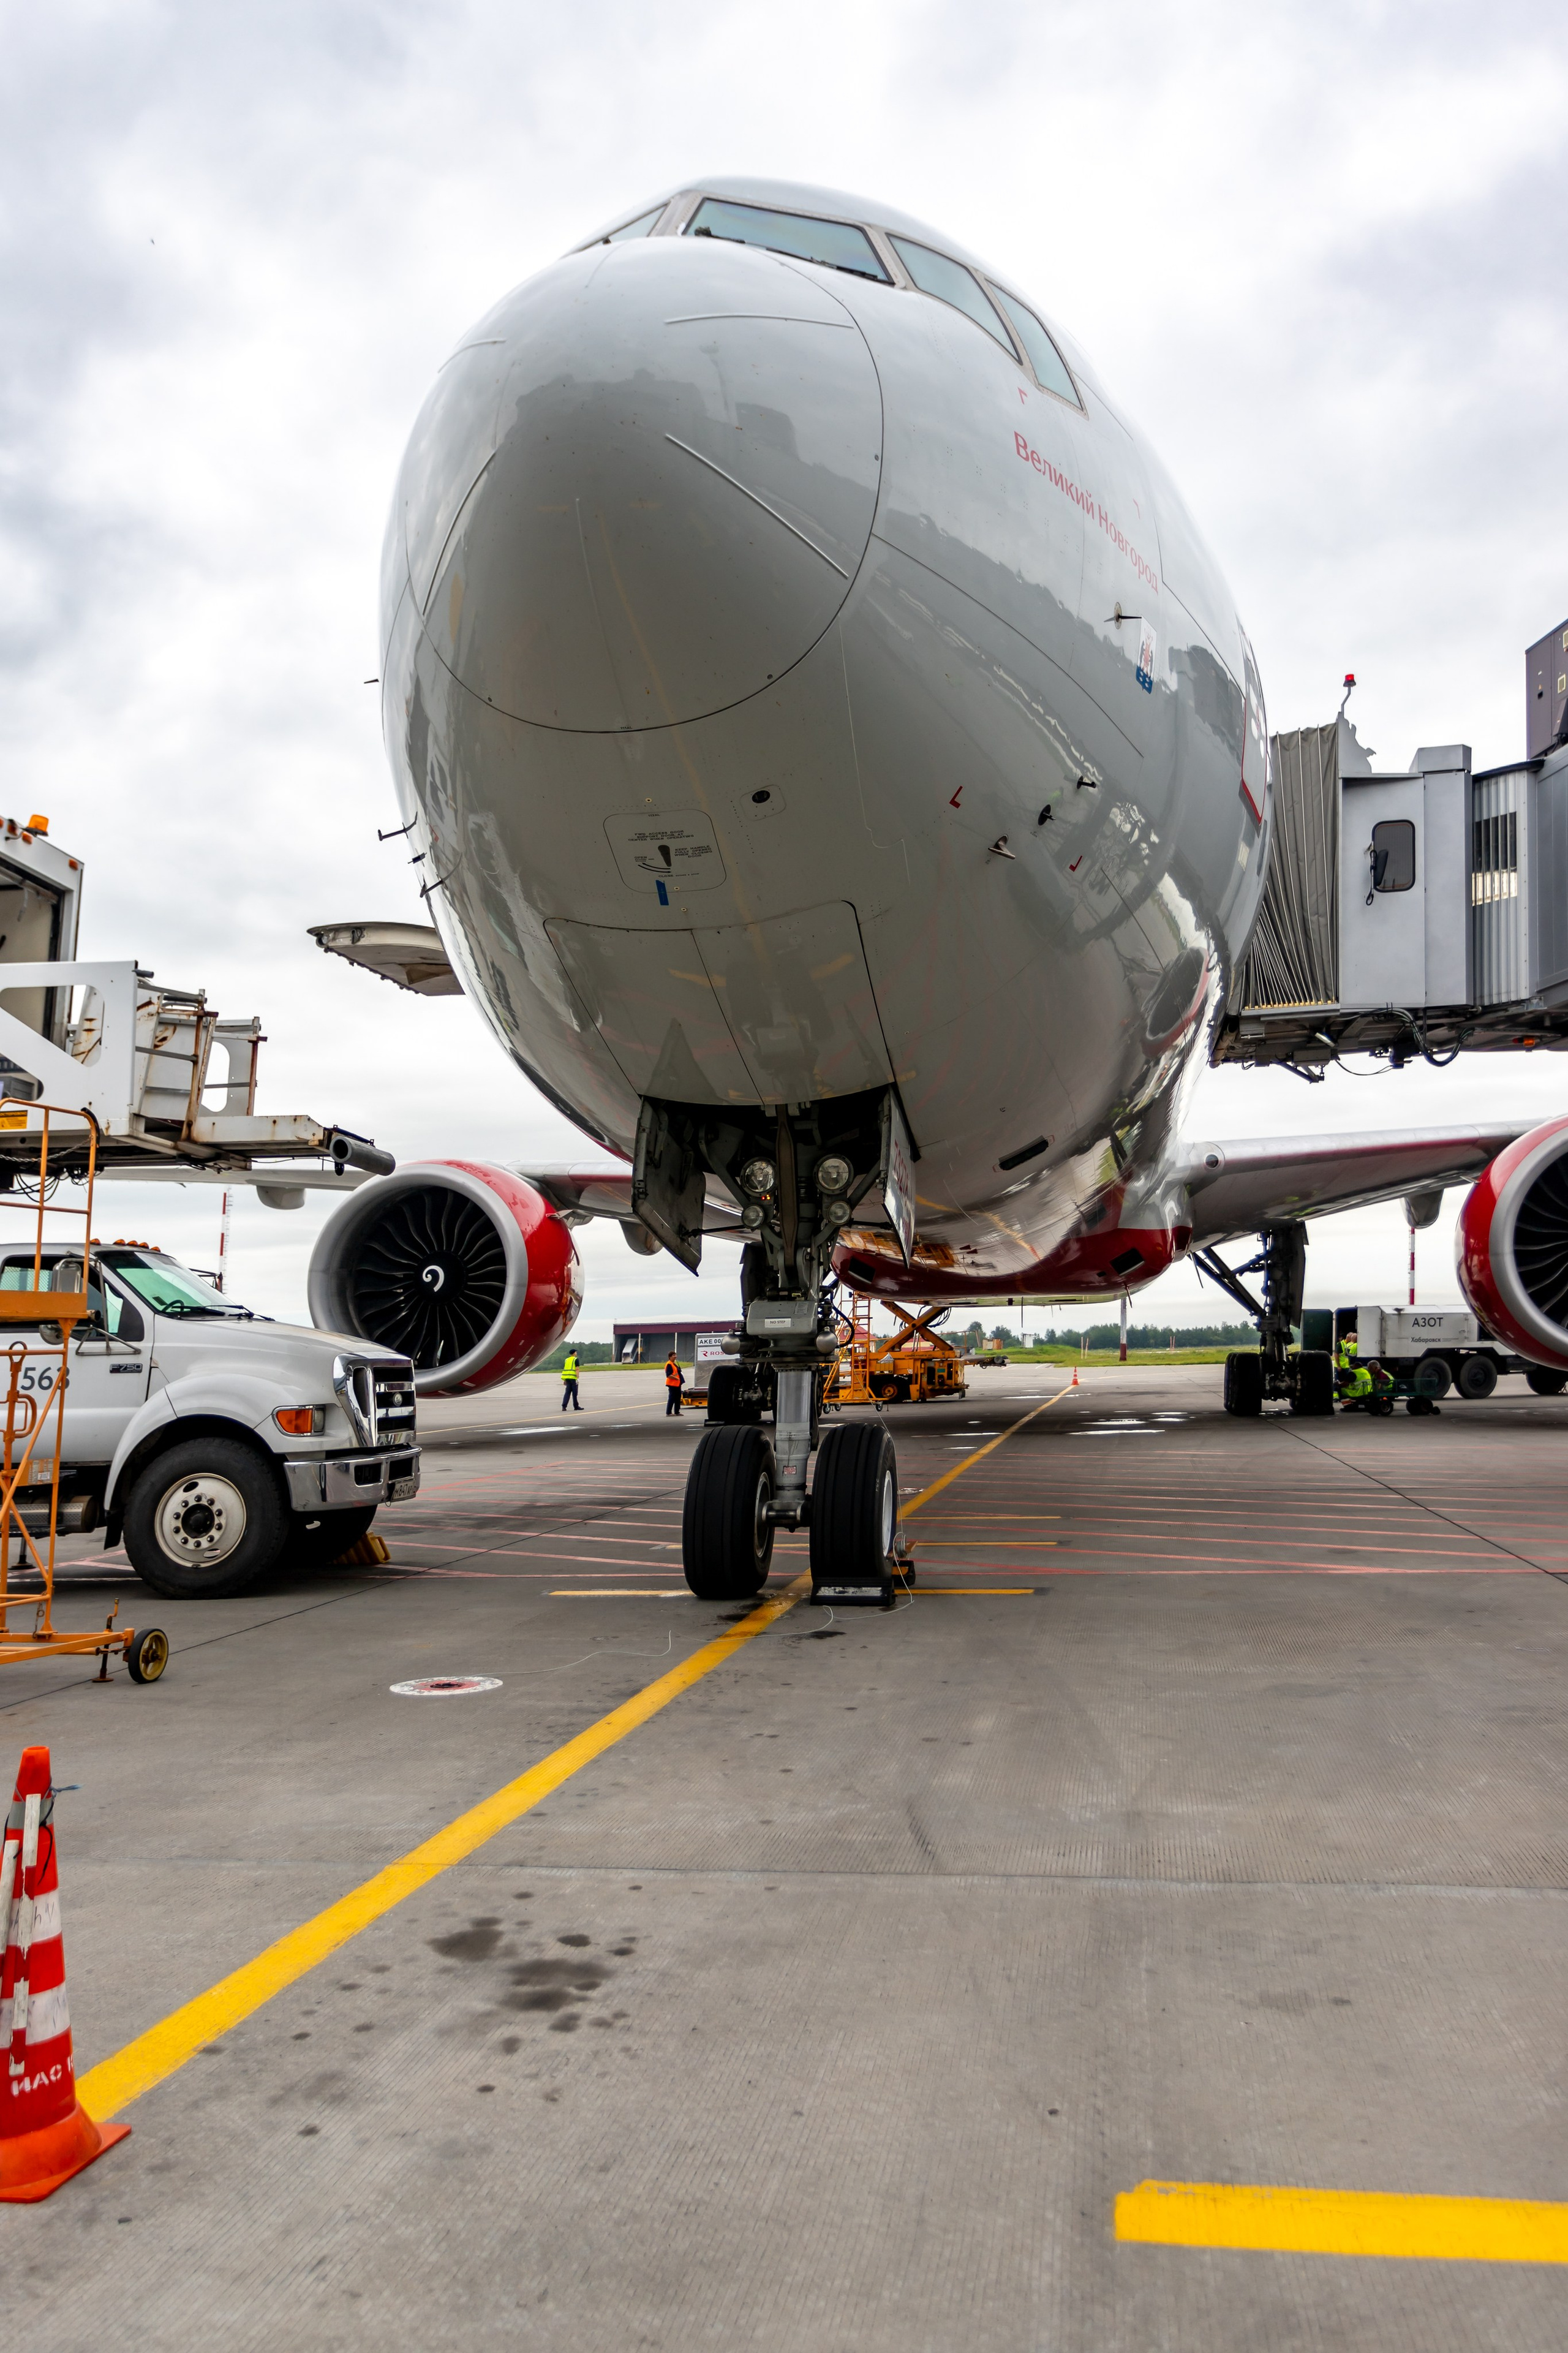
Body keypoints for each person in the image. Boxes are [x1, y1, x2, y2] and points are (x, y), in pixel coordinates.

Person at [560, 1346, 582, 1411]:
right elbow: (577, 1369)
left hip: (567, 1378)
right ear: (574, 1353)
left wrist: (565, 1380)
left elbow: (565, 1369)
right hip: (573, 1378)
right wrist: (577, 1377)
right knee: (575, 1393)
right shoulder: (576, 1359)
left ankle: (564, 1406)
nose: (576, 1353)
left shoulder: (566, 1360)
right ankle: (576, 1406)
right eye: (576, 1352)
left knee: (567, 1393)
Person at [664, 1351, 685, 1416]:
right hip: (672, 1384)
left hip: (677, 1384)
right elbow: (669, 1375)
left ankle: (677, 1412)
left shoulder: (674, 1364)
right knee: (672, 1398)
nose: (675, 1356)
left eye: (675, 1355)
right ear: (670, 1357)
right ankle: (669, 1412)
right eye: (673, 1355)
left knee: (678, 1398)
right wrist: (677, 1379)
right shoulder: (669, 1364)